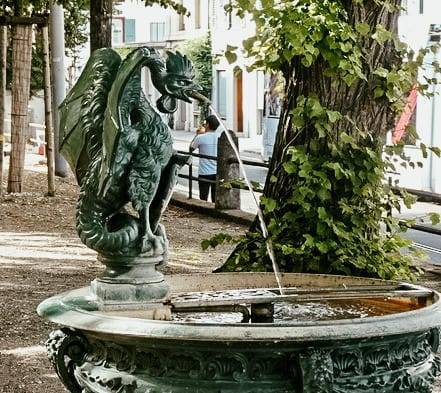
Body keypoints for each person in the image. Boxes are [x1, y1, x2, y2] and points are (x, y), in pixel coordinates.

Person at [190, 115, 222, 202]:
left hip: (204, 172)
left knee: (203, 198)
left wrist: (197, 135)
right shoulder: (220, 137)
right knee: (215, 198)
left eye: (205, 123)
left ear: (207, 125)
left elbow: (191, 148)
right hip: (217, 171)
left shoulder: (201, 137)